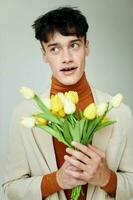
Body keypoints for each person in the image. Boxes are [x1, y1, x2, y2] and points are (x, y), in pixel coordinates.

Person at [2, 6, 133, 200]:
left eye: (74, 45)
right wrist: (57, 180)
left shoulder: (120, 112)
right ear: (44, 55)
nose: (66, 58)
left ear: (87, 46)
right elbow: (10, 189)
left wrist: (106, 178)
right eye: (55, 49)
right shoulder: (24, 114)